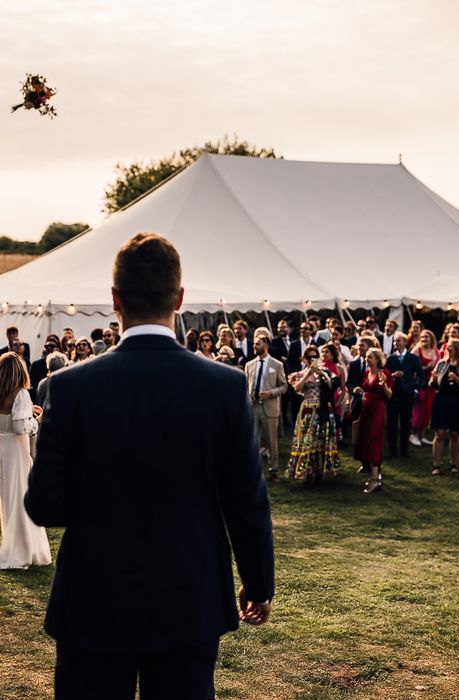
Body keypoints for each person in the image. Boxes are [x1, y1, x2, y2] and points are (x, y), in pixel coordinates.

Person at [25, 232, 274, 699]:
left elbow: (45, 505)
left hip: (93, 595)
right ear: (179, 298)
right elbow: (247, 502)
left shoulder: (70, 387)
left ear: (115, 300)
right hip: (189, 595)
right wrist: (258, 584)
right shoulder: (222, 387)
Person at [0, 352, 50, 569]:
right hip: (15, 450)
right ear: (20, 370)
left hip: (1, 447)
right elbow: (21, 428)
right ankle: (20, 549)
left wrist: (27, 412)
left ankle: (12, 543)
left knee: (6, 501)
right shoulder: (20, 394)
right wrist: (37, 420)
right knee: (20, 498)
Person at [286, 346, 340, 482]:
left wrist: (322, 374)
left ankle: (319, 471)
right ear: (304, 359)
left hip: (322, 410)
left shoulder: (325, 372)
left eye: (315, 357)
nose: (312, 360)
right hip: (308, 410)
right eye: (309, 357)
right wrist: (308, 374)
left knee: (321, 441)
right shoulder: (299, 374)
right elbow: (297, 388)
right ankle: (306, 471)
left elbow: (331, 387)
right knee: (307, 441)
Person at [245, 331, 287, 482]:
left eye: (258, 344)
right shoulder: (249, 365)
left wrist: (271, 393)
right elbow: (246, 386)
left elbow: (284, 386)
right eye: (254, 344)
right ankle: (254, 471)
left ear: (266, 345)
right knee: (253, 441)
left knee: (271, 442)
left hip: (270, 407)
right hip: (253, 407)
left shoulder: (277, 364)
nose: (254, 346)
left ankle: (273, 470)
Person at [354, 348, 393, 494]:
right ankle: (371, 473)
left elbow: (389, 395)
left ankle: (375, 479)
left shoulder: (385, 373)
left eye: (369, 357)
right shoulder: (367, 372)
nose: (366, 359)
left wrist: (383, 384)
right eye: (366, 357)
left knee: (373, 440)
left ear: (377, 359)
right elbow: (366, 389)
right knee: (364, 439)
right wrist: (360, 391)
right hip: (366, 409)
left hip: (377, 409)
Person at [429, 339, 459, 476]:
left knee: (454, 434)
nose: (448, 350)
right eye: (448, 347)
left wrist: (458, 380)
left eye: (451, 348)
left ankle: (453, 464)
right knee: (439, 433)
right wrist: (433, 380)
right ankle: (436, 465)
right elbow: (432, 385)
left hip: (457, 401)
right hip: (442, 399)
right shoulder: (441, 363)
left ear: (458, 349)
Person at [384, 331, 425, 459]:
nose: (396, 343)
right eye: (395, 341)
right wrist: (393, 376)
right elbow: (385, 375)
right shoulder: (391, 359)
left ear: (405, 342)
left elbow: (421, 375)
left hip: (408, 394)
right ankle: (392, 450)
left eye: (399, 341)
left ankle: (404, 450)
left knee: (406, 423)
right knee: (392, 423)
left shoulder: (412, 358)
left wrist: (416, 389)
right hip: (394, 394)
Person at [410, 329, 439, 447]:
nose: (424, 339)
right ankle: (413, 434)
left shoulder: (436, 351)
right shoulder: (417, 350)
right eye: (422, 337)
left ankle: (422, 435)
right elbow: (411, 368)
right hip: (420, 383)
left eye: (426, 337)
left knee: (428, 409)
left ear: (431, 338)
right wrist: (426, 367)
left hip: (431, 385)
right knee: (418, 409)